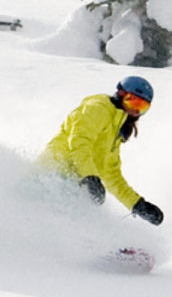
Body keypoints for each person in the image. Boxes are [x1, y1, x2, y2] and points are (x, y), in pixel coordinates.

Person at [36, 76, 164, 225]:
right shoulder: (98, 108)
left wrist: (138, 205)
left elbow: (111, 174)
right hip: (52, 175)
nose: (135, 110)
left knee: (83, 219)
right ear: (121, 94)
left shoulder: (115, 129)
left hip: (72, 183)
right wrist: (90, 176)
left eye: (142, 107)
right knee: (74, 221)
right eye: (133, 101)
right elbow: (79, 142)